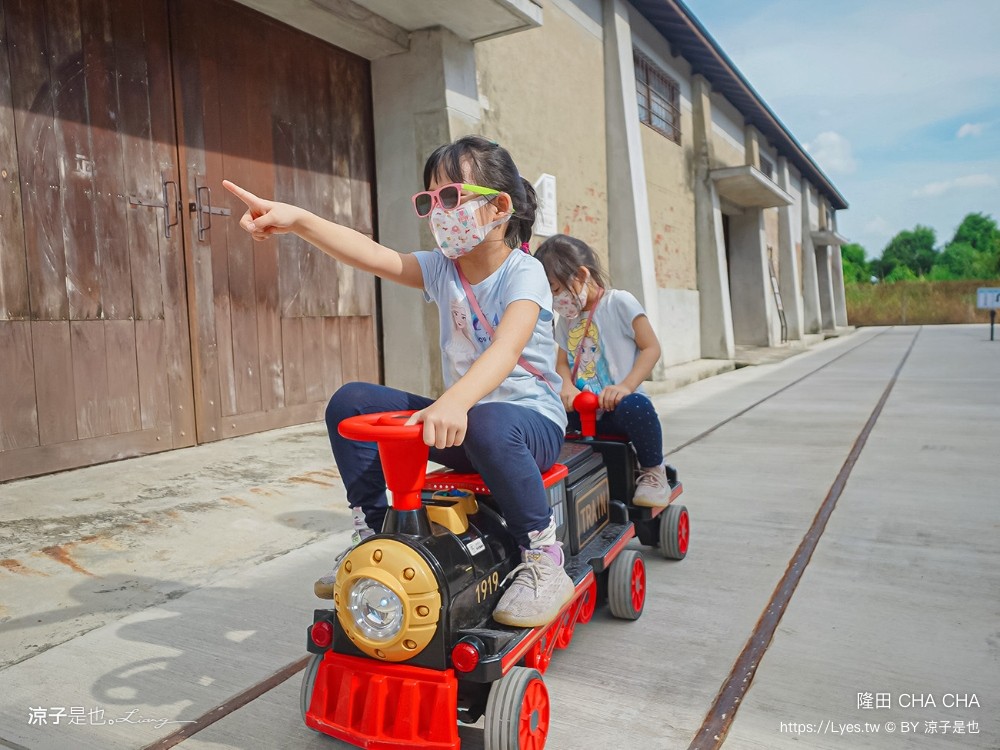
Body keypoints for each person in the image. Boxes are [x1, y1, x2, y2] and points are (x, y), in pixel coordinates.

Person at [223, 136, 573, 628]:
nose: (439, 213)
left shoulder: (525, 271)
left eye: (451, 197)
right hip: (464, 425)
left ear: (499, 207)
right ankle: (371, 536)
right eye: (430, 201)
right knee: (352, 402)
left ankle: (542, 557)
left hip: (527, 427)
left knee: (488, 422)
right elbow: (370, 254)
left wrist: (453, 403)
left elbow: (505, 349)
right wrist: (297, 220)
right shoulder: (442, 270)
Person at [534, 234, 671, 507]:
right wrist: (567, 387)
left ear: (581, 275)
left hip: (618, 409)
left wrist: (625, 387)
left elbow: (651, 348)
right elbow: (561, 362)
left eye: (556, 289)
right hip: (582, 410)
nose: (556, 299)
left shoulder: (619, 302)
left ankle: (654, 472)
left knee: (637, 408)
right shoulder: (567, 319)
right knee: (542, 410)